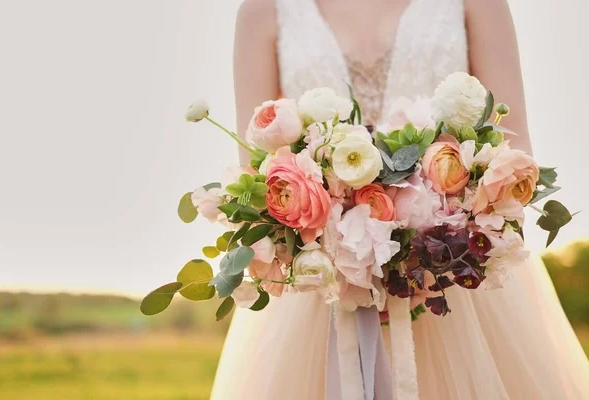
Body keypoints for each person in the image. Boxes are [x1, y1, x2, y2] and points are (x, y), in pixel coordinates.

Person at [211, 0, 589, 398]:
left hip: (457, 275)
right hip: (317, 285)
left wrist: (435, 237)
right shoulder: (263, 10)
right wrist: (337, 239)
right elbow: (256, 172)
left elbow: (515, 151)